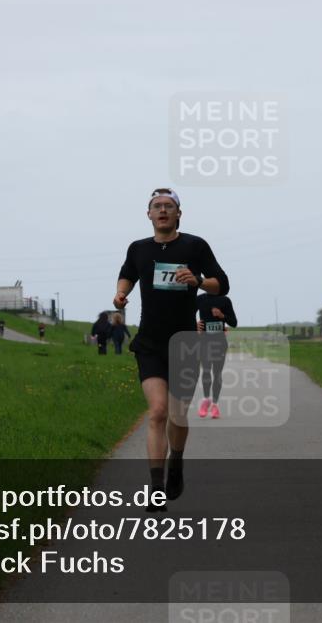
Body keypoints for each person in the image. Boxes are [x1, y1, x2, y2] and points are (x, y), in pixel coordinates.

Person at [114, 188, 229, 511]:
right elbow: (127, 275)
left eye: (169, 206)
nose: (162, 210)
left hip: (185, 343)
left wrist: (198, 281)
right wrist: (120, 294)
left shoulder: (194, 245)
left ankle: (176, 462)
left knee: (177, 415)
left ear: (179, 213)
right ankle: (156, 486)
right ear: (148, 214)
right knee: (158, 412)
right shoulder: (138, 249)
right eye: (156, 206)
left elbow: (222, 283)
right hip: (149, 342)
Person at [196, 293, 238, 419]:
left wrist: (222, 316)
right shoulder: (200, 299)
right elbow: (185, 312)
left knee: (217, 373)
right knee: (206, 371)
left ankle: (215, 404)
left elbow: (234, 322)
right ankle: (206, 400)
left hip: (220, 342)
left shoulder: (225, 300)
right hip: (204, 342)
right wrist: (194, 325)